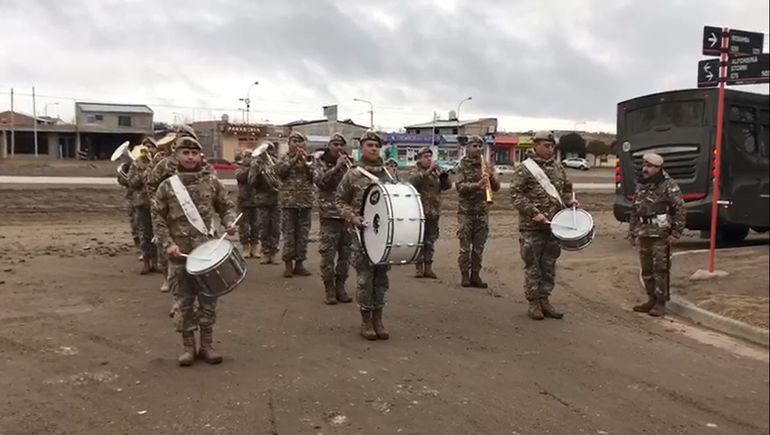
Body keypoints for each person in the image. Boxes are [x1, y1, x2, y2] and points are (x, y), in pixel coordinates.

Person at [151, 136, 238, 366]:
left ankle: (207, 346)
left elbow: (226, 206)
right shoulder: (167, 186)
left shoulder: (211, 181)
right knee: (184, 302)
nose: (189, 157)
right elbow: (157, 217)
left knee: (208, 301)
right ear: (176, 156)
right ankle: (188, 347)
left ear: (200, 156)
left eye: (194, 153)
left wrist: (229, 222)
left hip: (207, 255)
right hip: (179, 255)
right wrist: (167, 243)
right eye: (185, 153)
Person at [510, 130, 576, 320]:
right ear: (536, 145)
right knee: (533, 266)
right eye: (546, 146)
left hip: (554, 226)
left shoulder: (558, 168)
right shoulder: (524, 168)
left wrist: (570, 203)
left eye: (552, 146)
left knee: (549, 266)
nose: (550, 149)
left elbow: (565, 191)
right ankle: (533, 303)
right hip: (532, 227)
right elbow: (515, 195)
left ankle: (545, 300)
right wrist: (534, 213)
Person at [336, 131, 394, 340]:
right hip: (361, 234)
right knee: (364, 279)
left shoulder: (388, 173)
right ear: (362, 148)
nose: (374, 148)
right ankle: (366, 320)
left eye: (377, 145)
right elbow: (339, 200)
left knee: (381, 279)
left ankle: (379, 319)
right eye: (369, 145)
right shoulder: (353, 174)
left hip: (383, 235)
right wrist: (352, 217)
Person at [627, 153, 686, 317]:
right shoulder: (642, 184)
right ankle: (651, 299)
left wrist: (676, 233)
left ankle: (661, 302)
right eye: (644, 165)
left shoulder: (668, 185)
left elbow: (680, 210)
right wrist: (632, 231)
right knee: (646, 269)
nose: (645, 169)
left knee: (660, 269)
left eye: (650, 166)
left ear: (659, 168)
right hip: (644, 232)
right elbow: (635, 209)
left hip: (661, 234)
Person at [313, 133, 354, 304]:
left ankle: (341, 287)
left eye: (341, 145)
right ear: (329, 145)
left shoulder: (349, 164)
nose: (338, 147)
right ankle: (329, 289)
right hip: (329, 214)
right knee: (328, 255)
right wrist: (336, 168)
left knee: (345, 256)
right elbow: (320, 182)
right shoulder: (320, 162)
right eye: (335, 144)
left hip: (346, 216)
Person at [455, 135, 500, 288]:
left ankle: (476, 275)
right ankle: (465, 276)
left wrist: (491, 177)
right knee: (465, 247)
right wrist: (477, 185)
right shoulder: (462, 165)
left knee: (479, 247)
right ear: (467, 148)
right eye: (474, 146)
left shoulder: (486, 164)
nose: (478, 149)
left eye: (480, 146)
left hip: (482, 211)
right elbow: (459, 187)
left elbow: (497, 188)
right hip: (466, 212)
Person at [274, 131, 315, 277]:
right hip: (288, 202)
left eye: (300, 141)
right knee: (289, 234)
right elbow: (280, 172)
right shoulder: (283, 158)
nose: (297, 144)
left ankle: (300, 264)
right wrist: (294, 160)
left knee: (303, 235)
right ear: (289, 144)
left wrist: (305, 162)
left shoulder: (309, 159)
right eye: (294, 141)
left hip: (305, 202)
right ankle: (288, 265)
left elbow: (316, 176)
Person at [408, 146, 452, 278]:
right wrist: (428, 171)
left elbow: (447, 187)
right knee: (419, 240)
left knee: (430, 240)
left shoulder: (435, 173)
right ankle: (419, 267)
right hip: (419, 211)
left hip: (433, 211)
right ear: (420, 159)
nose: (428, 159)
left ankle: (428, 267)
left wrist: (443, 177)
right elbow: (412, 182)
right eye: (425, 157)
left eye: (429, 157)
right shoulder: (415, 171)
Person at [126, 141, 157, 274]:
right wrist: (143, 173)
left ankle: (156, 262)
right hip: (142, 204)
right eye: (146, 147)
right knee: (145, 234)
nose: (148, 149)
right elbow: (131, 182)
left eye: (151, 147)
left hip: (156, 203)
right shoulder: (137, 163)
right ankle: (146, 262)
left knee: (157, 234)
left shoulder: (158, 163)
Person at [248, 141, 281, 264]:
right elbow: (251, 182)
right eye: (265, 151)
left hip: (276, 199)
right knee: (264, 227)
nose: (267, 154)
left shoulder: (276, 163)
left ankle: (274, 252)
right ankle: (265, 252)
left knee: (276, 228)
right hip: (262, 200)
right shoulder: (256, 164)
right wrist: (258, 174)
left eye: (269, 150)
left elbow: (280, 178)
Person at [235, 151, 260, 258]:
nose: (250, 159)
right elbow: (241, 177)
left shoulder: (258, 168)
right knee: (243, 226)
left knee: (256, 226)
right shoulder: (240, 169)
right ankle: (245, 247)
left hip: (256, 201)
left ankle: (254, 247)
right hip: (243, 201)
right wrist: (250, 167)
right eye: (248, 157)